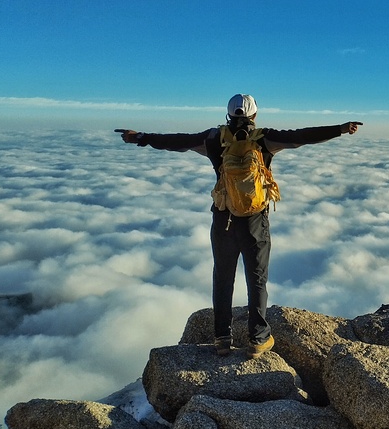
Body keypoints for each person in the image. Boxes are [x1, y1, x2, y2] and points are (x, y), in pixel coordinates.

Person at [117, 94, 361, 358]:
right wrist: (340, 129)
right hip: (255, 219)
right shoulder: (265, 139)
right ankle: (258, 340)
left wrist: (141, 137)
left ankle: (222, 338)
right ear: (255, 115)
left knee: (223, 277)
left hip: (223, 216)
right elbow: (302, 136)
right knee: (257, 279)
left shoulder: (213, 138)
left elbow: (177, 141)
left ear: (228, 114)